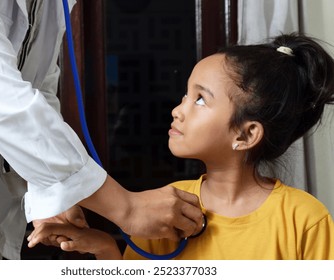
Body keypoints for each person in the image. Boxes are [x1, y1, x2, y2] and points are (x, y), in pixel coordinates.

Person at [27, 33, 334, 260]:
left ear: (245, 135)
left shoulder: (304, 219)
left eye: (200, 99)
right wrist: (103, 246)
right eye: (186, 95)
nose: (178, 109)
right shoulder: (167, 208)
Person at [0, 0, 203, 260]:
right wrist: (127, 208)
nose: (177, 110)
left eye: (201, 99)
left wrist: (50, 189)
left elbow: (39, 87)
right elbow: (0, 97)